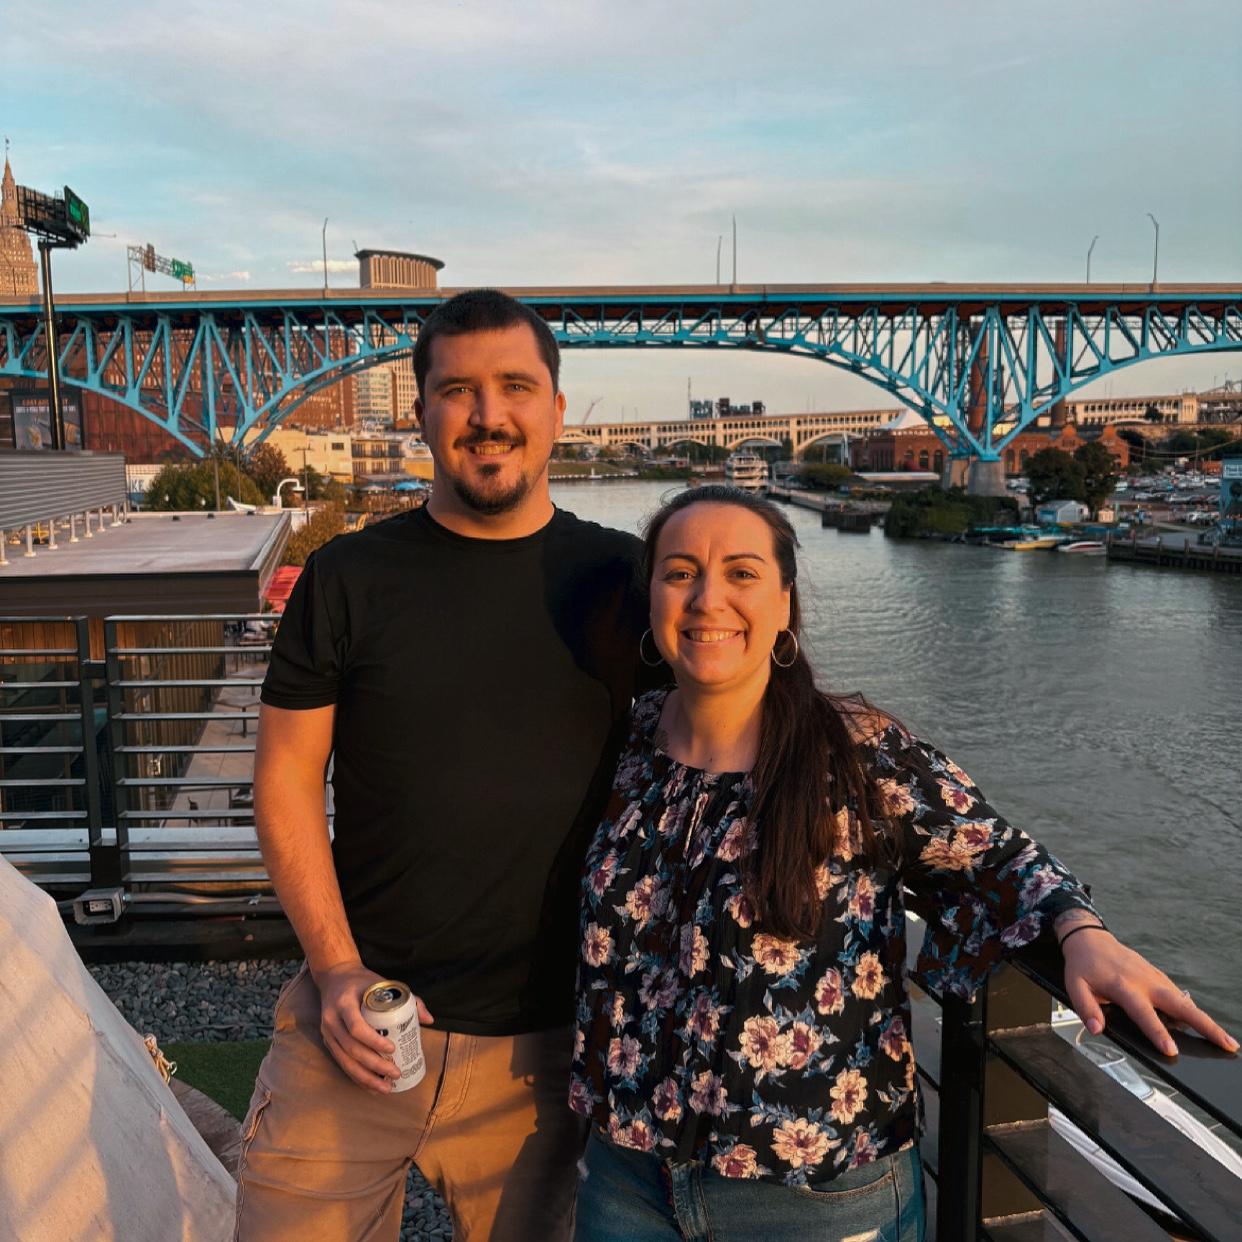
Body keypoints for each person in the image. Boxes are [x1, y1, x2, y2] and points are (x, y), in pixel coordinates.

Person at [569, 485, 1237, 1242]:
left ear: (784, 604)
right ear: (653, 598)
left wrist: (1082, 933)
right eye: (680, 572)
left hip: (813, 1199)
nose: (707, 598)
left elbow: (999, 856)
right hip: (628, 1177)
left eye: (742, 573)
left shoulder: (857, 751)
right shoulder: (631, 740)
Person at [236, 289, 651, 1241]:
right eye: (458, 390)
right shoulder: (348, 576)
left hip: (546, 1056)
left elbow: (737, 729)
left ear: (557, 407)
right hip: (356, 1021)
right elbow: (287, 781)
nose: (488, 415)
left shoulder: (626, 579)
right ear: (420, 412)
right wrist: (335, 969)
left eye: (515, 387)